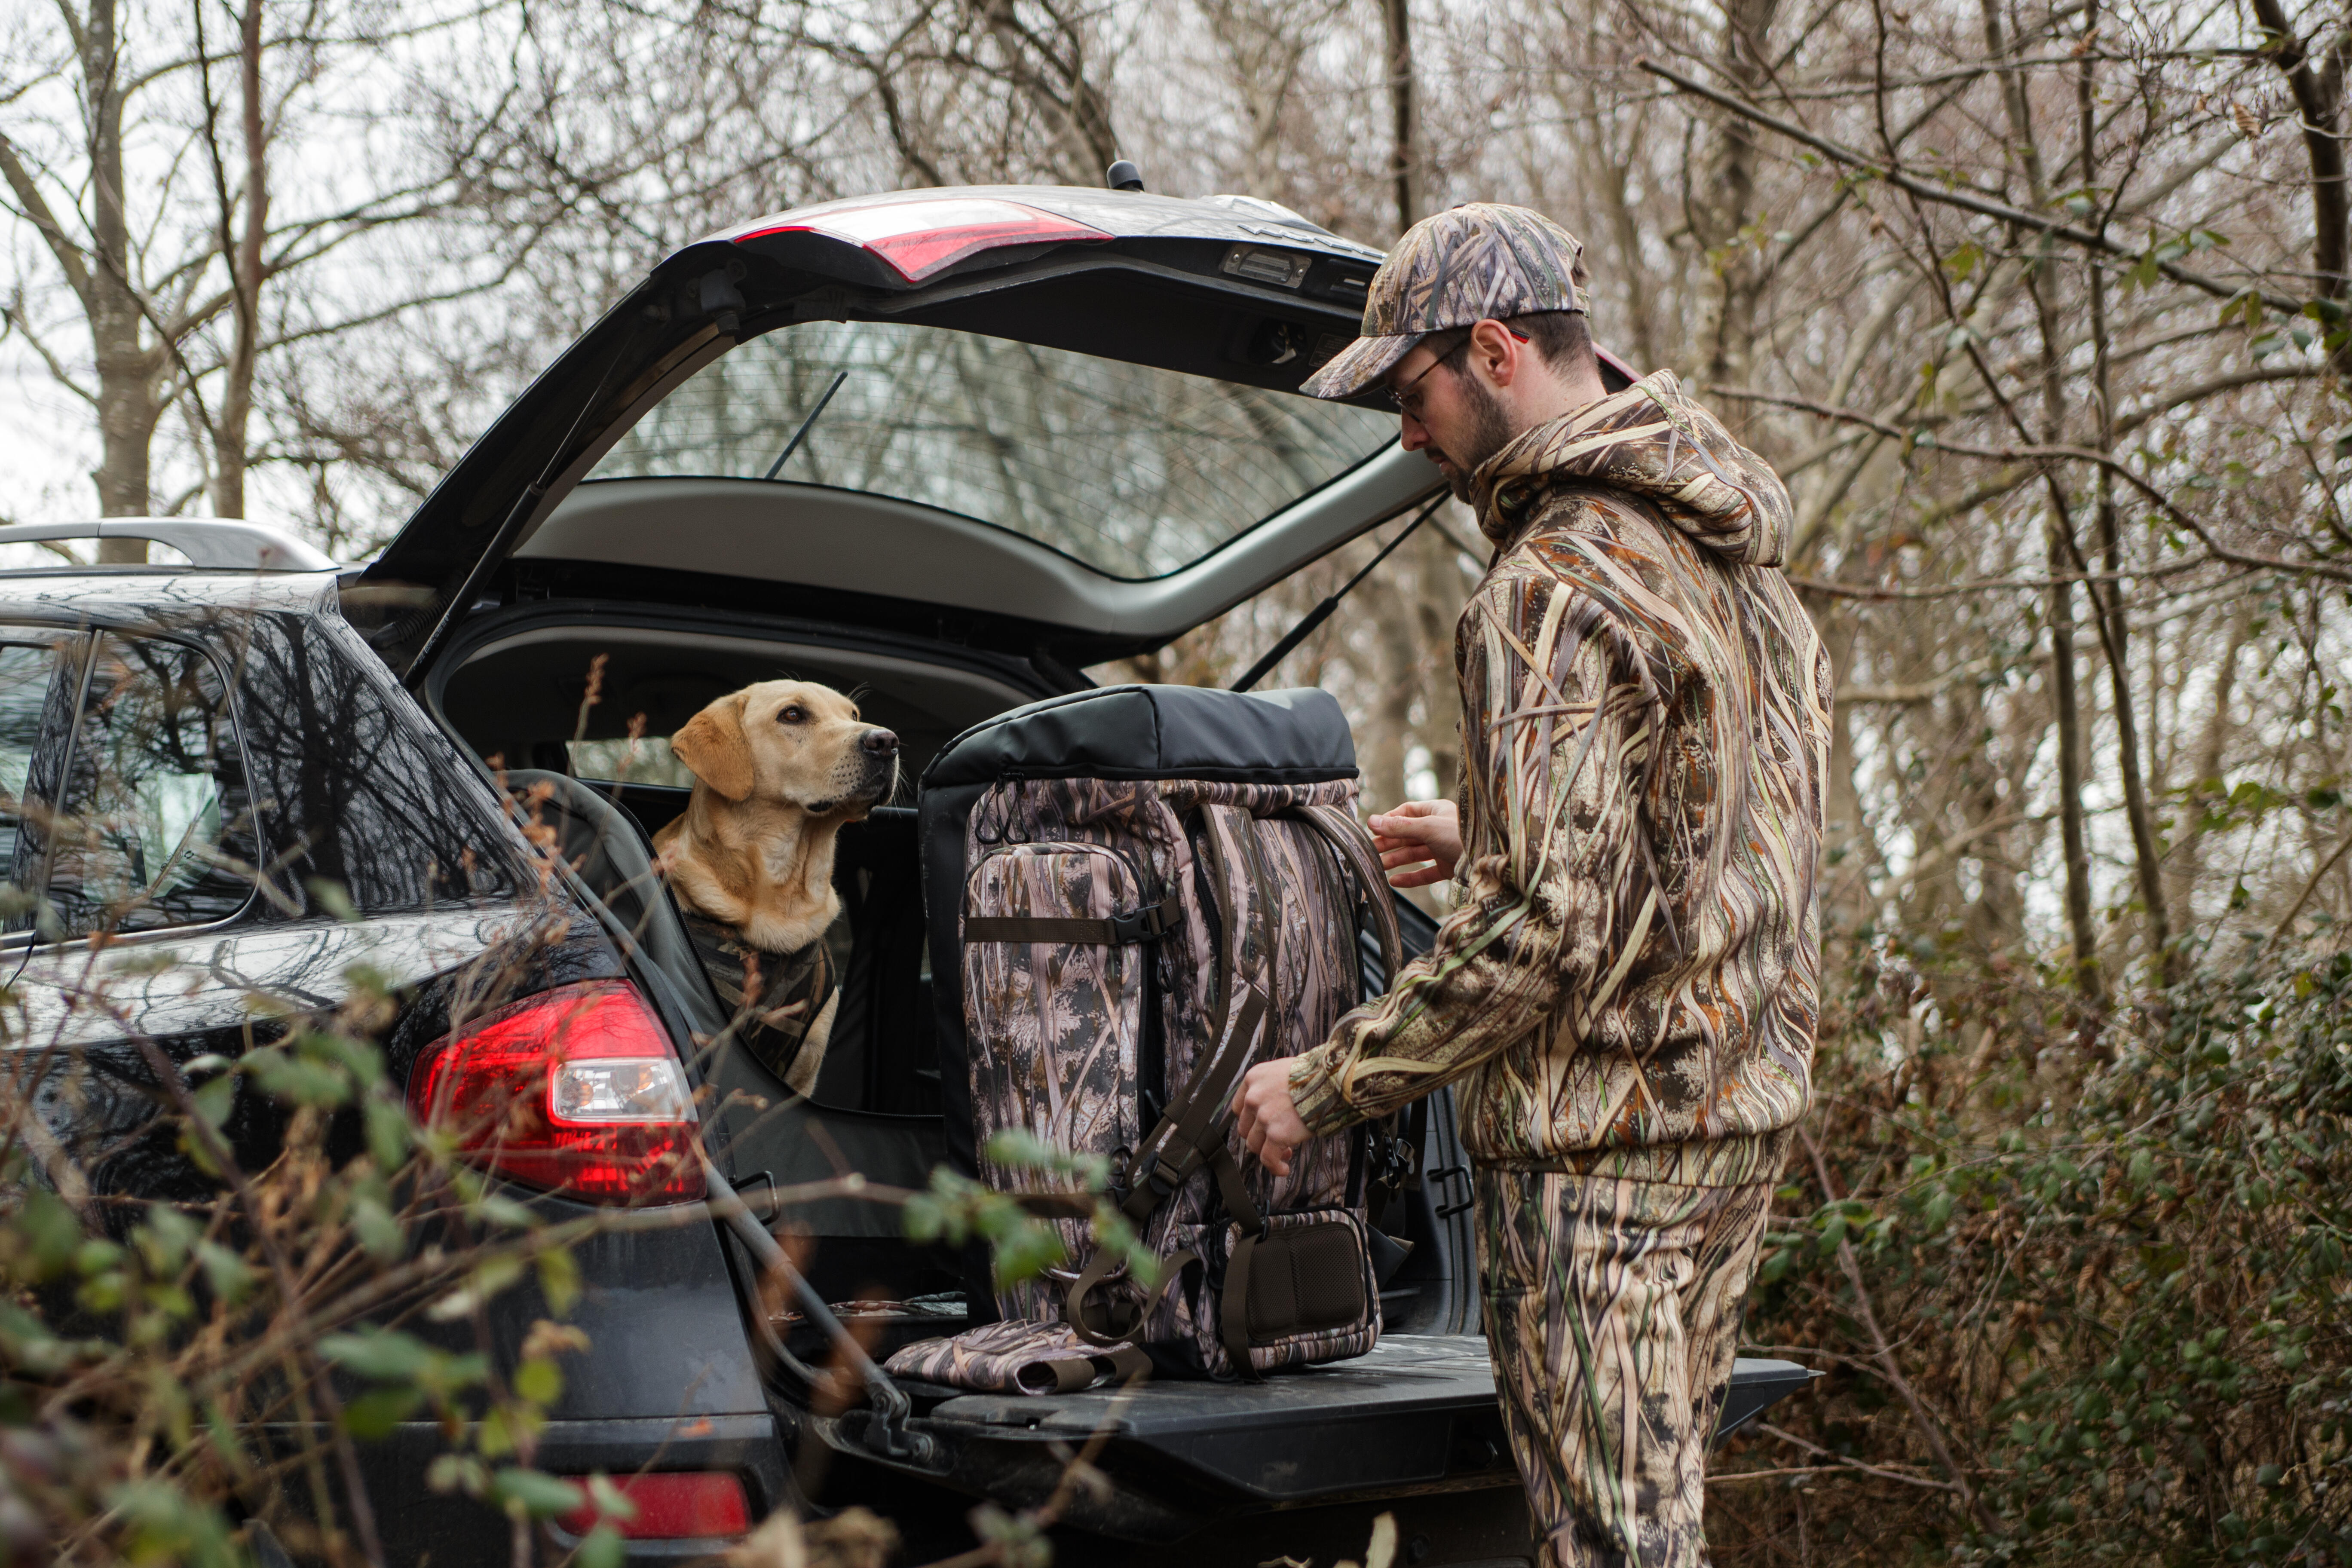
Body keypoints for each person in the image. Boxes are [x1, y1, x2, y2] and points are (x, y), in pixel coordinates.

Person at [1233, 203, 1834, 1568]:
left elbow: (1541, 930)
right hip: (1731, 1123)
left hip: (1597, 1167)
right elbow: (1743, 830)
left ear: (1495, 349)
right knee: (1657, 1528)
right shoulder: (1729, 554)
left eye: (1411, 393)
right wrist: (1496, 826)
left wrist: (1326, 1081)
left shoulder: (1547, 587)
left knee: (1611, 1549)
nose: (1405, 435)